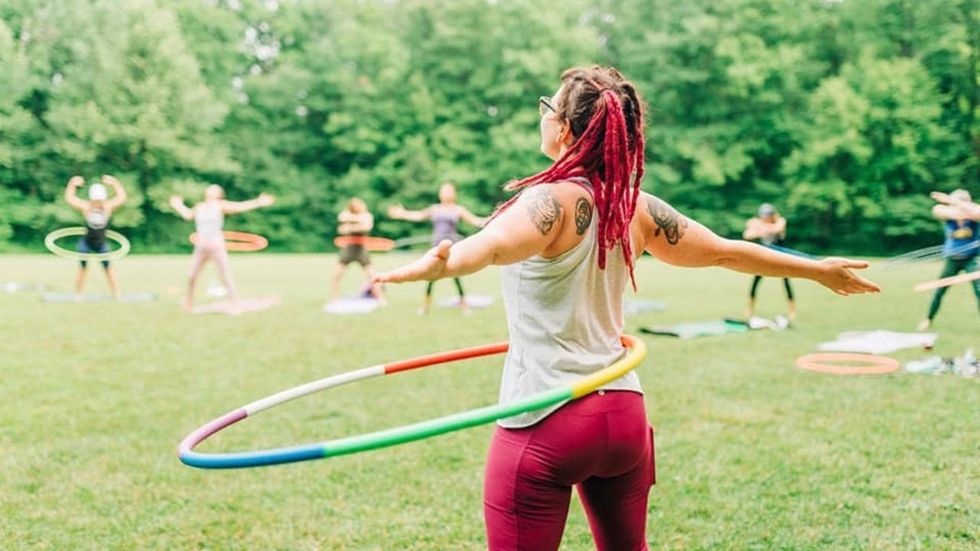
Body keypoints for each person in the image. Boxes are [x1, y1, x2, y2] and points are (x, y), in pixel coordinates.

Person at [375, 66, 879, 550]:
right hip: (621, 415)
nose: (542, 113)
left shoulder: (545, 202)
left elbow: (489, 247)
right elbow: (725, 251)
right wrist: (816, 270)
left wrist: (446, 263)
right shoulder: (634, 206)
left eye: (548, 106)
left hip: (547, 417)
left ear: (565, 129)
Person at [169, 185, 274, 311]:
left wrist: (258, 202)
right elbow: (187, 215)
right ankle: (188, 304)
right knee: (191, 276)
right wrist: (178, 205)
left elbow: (240, 206)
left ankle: (235, 305)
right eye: (210, 188)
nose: (211, 189)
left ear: (219, 194)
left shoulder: (220, 205)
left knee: (225, 276)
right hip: (201, 247)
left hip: (216, 246)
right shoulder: (200, 206)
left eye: (215, 189)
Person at [387, 182, 485, 314]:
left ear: (454, 194)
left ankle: (464, 305)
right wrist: (402, 213)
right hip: (436, 248)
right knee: (431, 278)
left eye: (448, 191)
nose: (445, 193)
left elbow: (475, 220)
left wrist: (493, 219)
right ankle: (425, 307)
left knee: (456, 276)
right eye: (443, 191)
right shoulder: (434, 209)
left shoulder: (458, 209)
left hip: (452, 248)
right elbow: (418, 215)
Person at [918, 189, 979, 331]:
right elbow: (938, 211)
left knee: (979, 290)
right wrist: (961, 209)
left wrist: (951, 200)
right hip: (952, 259)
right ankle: (928, 319)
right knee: (940, 289)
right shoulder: (947, 213)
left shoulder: (974, 215)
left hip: (971, 258)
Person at [63, 175, 127, 298]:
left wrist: (115, 183)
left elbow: (122, 198)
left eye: (100, 200)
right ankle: (78, 295)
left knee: (108, 269)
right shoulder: (86, 207)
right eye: (95, 200)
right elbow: (70, 199)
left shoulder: (107, 207)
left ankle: (116, 294)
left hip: (101, 243)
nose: (97, 202)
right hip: (86, 242)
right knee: (82, 269)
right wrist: (72, 184)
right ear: (91, 199)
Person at [742, 203, 796, 320]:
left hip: (781, 257)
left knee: (786, 282)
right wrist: (759, 228)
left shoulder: (780, 221)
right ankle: (749, 309)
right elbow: (747, 235)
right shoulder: (759, 223)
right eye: (764, 215)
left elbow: (778, 228)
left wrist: (760, 228)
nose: (765, 218)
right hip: (765, 257)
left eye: (768, 215)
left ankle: (792, 311)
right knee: (755, 282)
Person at [331, 197, 383, 303]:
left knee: (372, 275)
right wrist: (354, 223)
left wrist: (350, 226)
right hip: (348, 249)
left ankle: (380, 298)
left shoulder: (366, 215)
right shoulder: (346, 215)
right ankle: (334, 298)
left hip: (361, 250)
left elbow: (366, 226)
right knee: (337, 275)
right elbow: (341, 220)